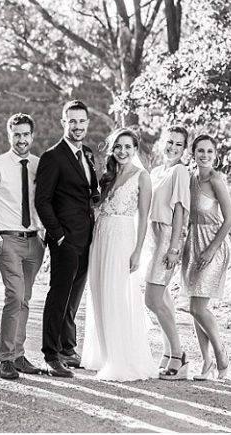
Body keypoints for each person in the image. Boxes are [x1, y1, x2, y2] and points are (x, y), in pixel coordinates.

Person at [82, 128, 158, 381]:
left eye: (127, 146)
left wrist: (138, 251)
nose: (122, 151)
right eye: (118, 146)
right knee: (99, 292)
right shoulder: (108, 176)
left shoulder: (142, 177)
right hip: (100, 237)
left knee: (117, 295)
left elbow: (144, 218)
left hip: (122, 238)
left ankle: (121, 359)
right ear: (113, 149)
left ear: (135, 149)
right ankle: (103, 354)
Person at [0, 113, 45, 380]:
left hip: (35, 241)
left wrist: (45, 234)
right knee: (14, 296)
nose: (22, 139)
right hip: (8, 240)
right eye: (17, 135)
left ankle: (18, 355)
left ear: (32, 136)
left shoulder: (39, 165)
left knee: (25, 298)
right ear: (9, 136)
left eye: (26, 134)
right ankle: (5, 358)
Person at [35, 100, 100, 378]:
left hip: (87, 237)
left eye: (81, 121)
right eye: (72, 121)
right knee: (59, 296)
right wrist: (58, 235)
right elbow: (42, 201)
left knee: (74, 298)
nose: (77, 126)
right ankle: (51, 355)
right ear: (64, 123)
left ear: (87, 123)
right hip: (65, 239)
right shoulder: (52, 157)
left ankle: (67, 348)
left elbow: (89, 191)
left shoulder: (87, 153)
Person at [183, 134, 231, 381]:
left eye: (209, 151)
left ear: (215, 155)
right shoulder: (189, 178)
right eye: (200, 151)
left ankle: (221, 353)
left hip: (213, 243)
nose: (204, 155)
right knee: (194, 307)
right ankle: (207, 361)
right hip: (192, 244)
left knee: (198, 307)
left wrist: (212, 249)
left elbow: (229, 220)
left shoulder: (216, 180)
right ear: (193, 153)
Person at [144, 125, 191, 380]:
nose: (173, 147)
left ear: (184, 149)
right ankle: (168, 352)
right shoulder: (156, 172)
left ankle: (179, 355)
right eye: (170, 142)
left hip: (167, 236)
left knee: (152, 299)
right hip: (152, 236)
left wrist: (174, 247)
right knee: (162, 297)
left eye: (179, 144)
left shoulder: (179, 171)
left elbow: (180, 211)